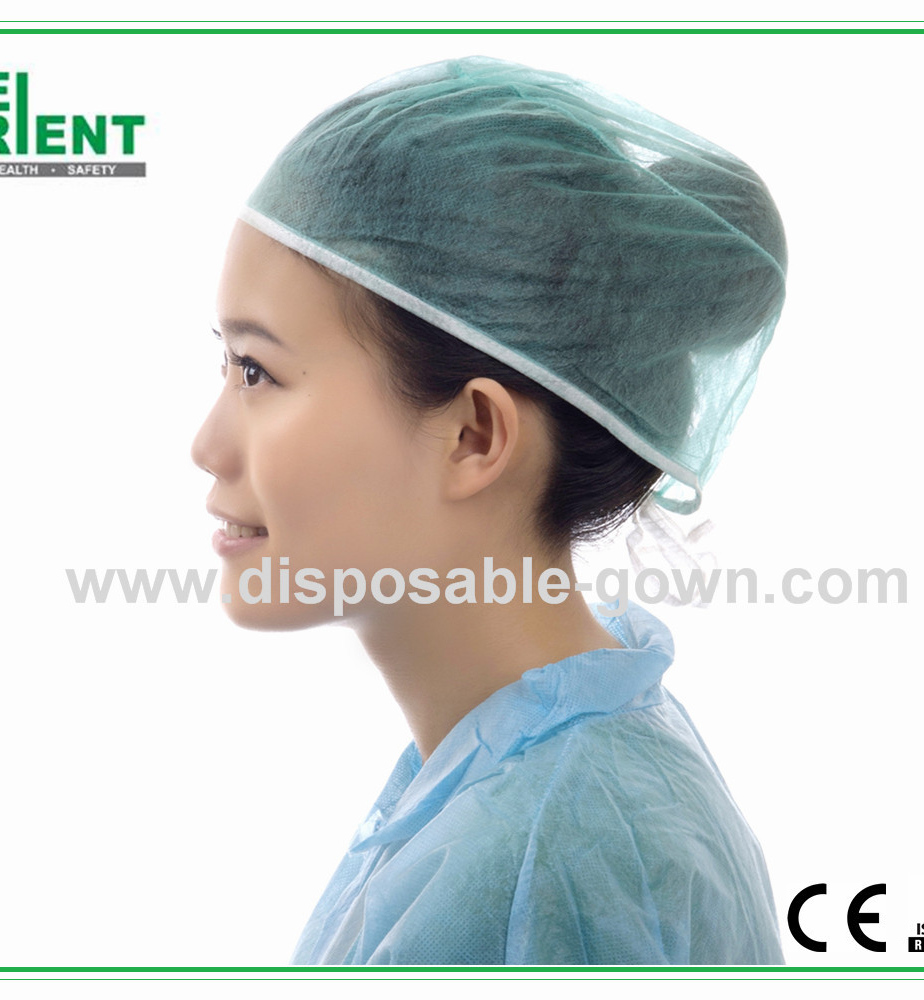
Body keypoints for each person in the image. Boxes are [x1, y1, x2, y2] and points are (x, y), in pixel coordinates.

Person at [190, 56, 787, 966]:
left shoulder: (537, 860)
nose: (207, 444)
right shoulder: (554, 772)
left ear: (474, 435)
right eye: (226, 365)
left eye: (257, 371)